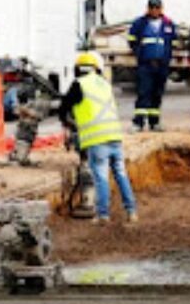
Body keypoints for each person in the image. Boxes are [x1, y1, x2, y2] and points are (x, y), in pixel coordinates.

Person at [59, 52, 138, 223]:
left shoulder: (79, 84)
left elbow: (64, 107)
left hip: (97, 139)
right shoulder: (104, 84)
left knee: (101, 177)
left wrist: (67, 123)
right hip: (115, 136)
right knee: (120, 174)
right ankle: (131, 211)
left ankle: (103, 214)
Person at [127, 0, 177, 132]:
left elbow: (174, 42)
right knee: (144, 92)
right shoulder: (140, 23)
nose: (154, 10)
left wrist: (167, 57)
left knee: (157, 93)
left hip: (162, 65)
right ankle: (138, 123)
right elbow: (131, 39)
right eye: (152, 8)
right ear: (148, 9)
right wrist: (139, 53)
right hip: (146, 64)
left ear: (161, 9)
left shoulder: (168, 24)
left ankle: (154, 122)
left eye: (157, 8)